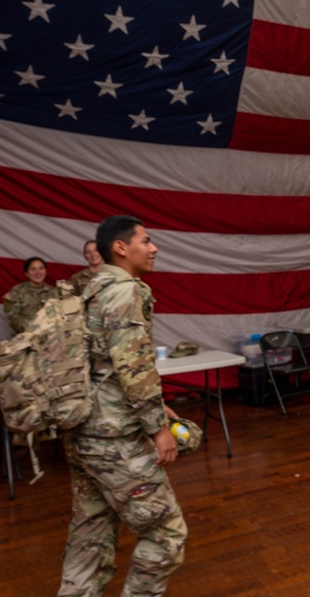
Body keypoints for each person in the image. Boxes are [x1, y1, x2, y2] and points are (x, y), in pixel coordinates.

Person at [58, 215, 186, 597]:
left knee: (89, 539)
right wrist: (157, 428)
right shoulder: (125, 290)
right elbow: (133, 366)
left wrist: (158, 408)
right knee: (166, 534)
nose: (153, 248)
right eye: (145, 241)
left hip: (83, 434)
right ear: (120, 247)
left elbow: (103, 366)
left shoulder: (89, 289)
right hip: (114, 439)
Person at [2, 256, 58, 335]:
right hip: (25, 338)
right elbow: (14, 320)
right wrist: (36, 328)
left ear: (45, 271)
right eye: (33, 269)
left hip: (51, 338)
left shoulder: (55, 292)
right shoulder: (16, 292)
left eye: (41, 268)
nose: (38, 272)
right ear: (26, 273)